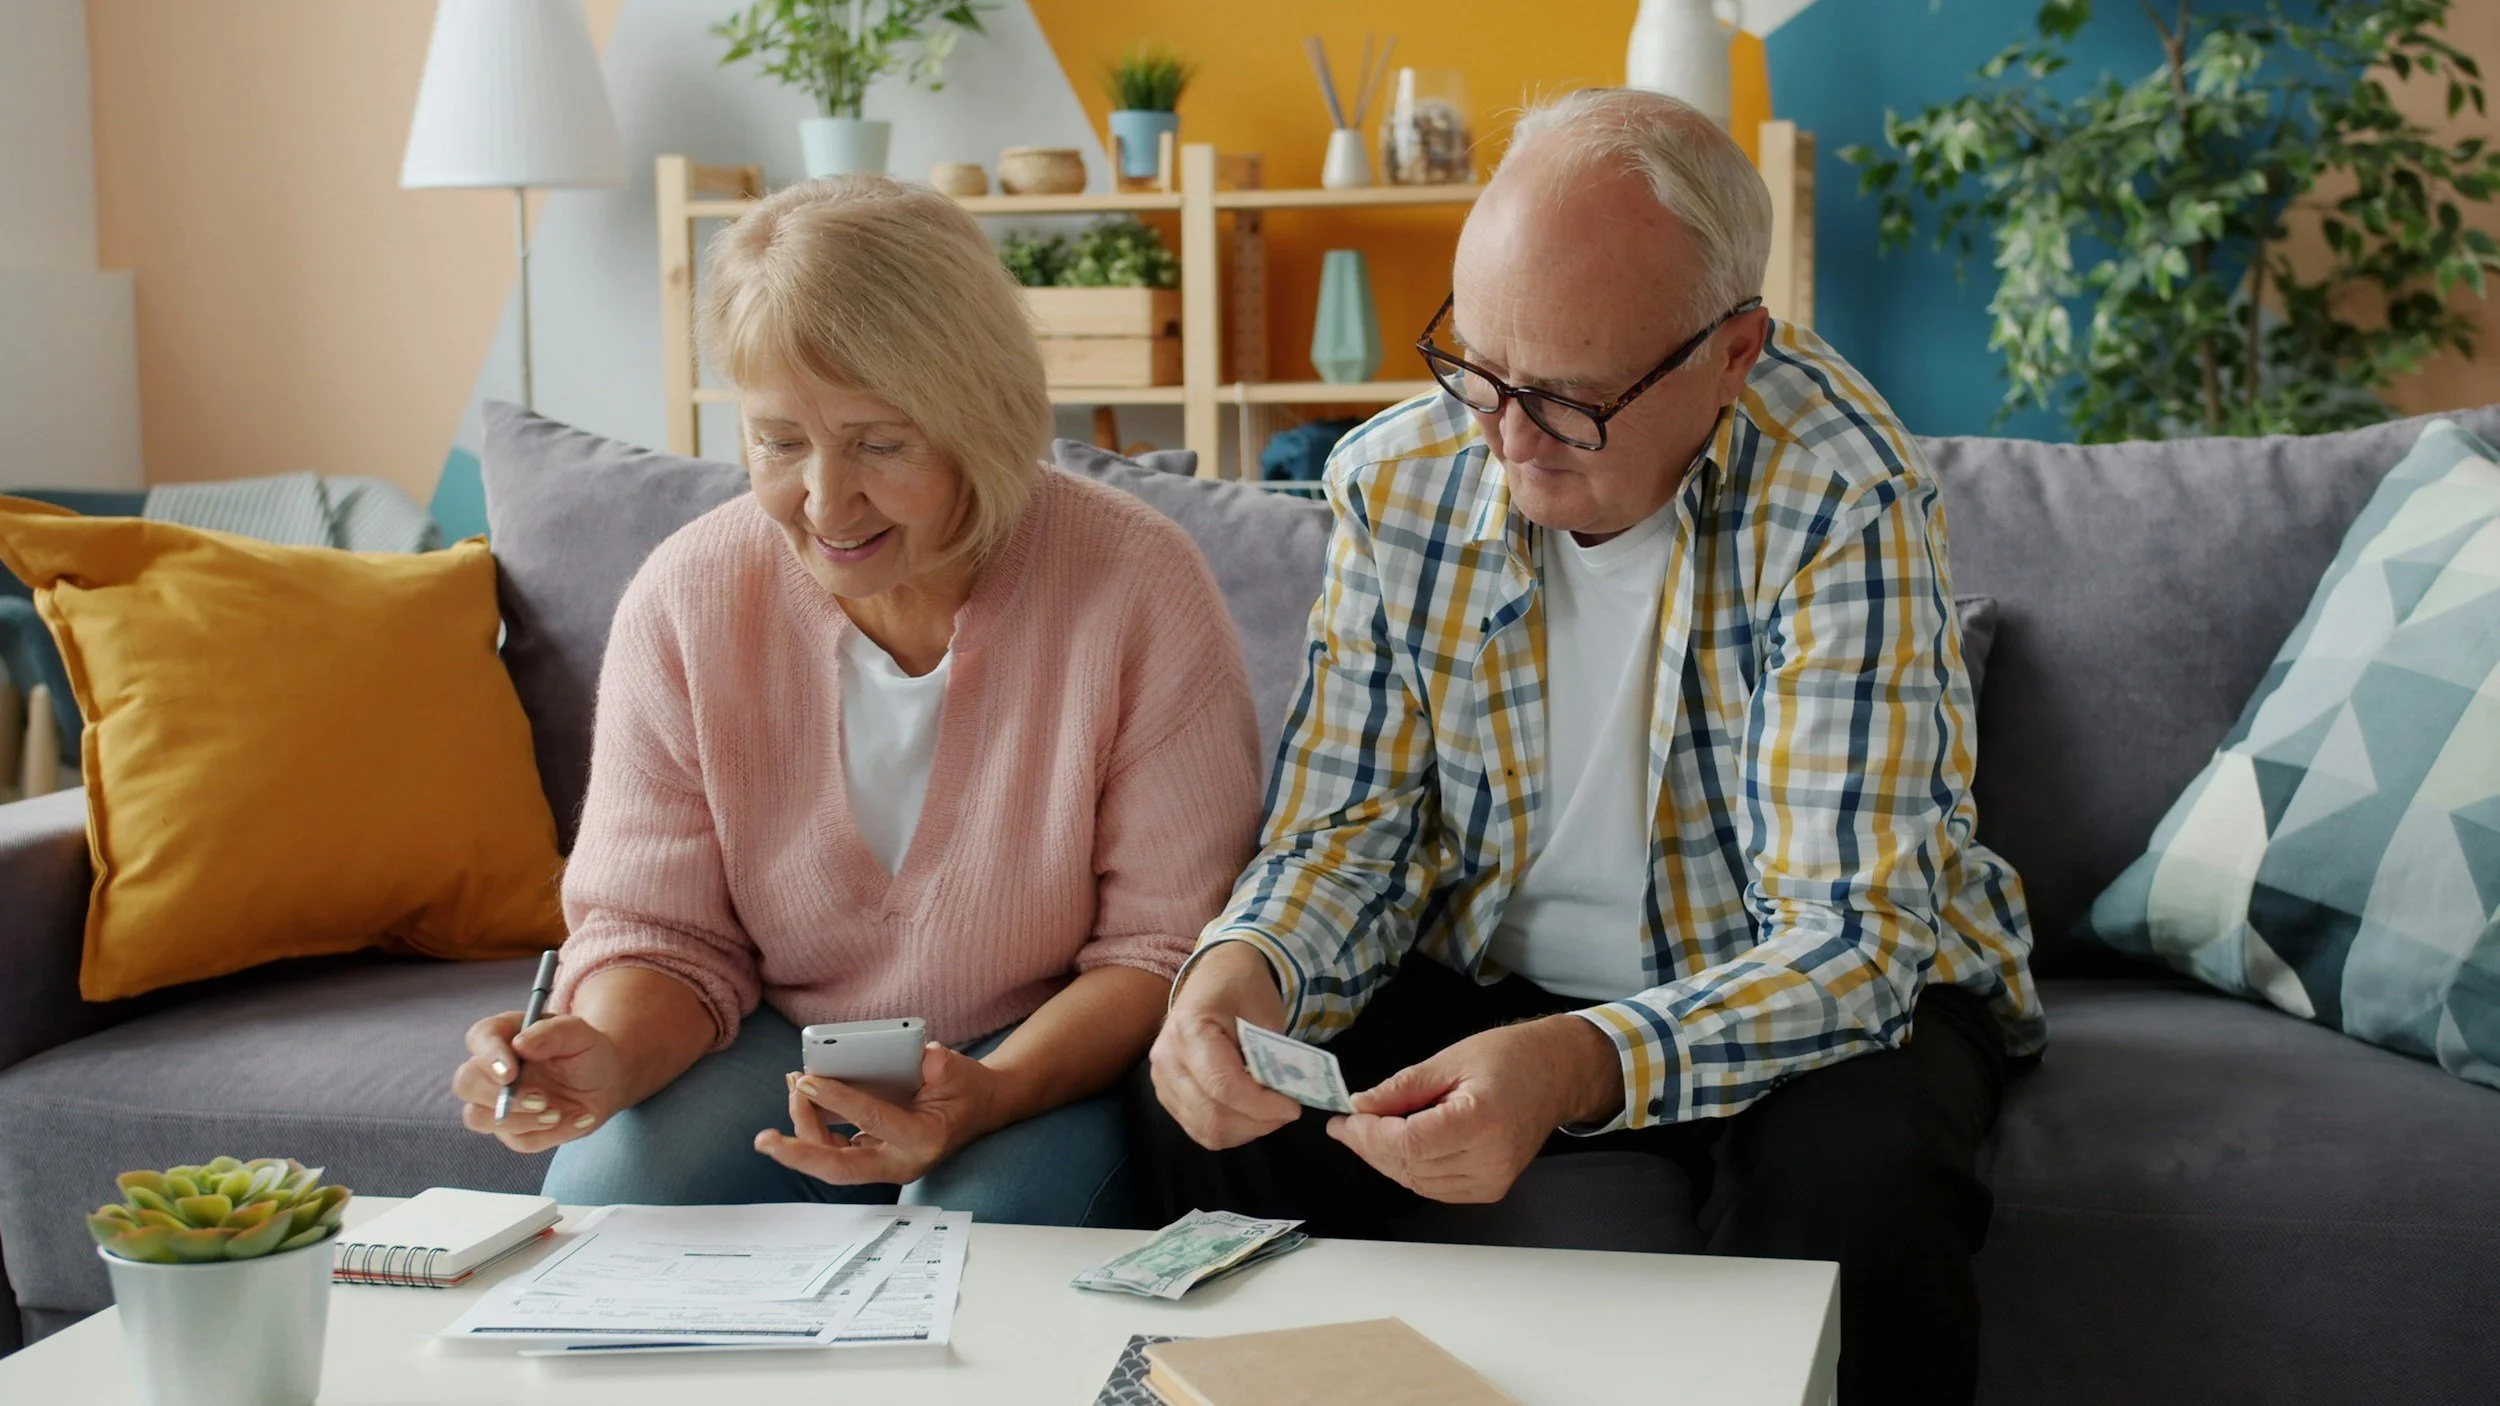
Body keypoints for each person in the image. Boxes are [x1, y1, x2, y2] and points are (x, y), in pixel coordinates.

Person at [1135, 89, 2046, 1404]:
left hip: (1820, 985)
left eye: (1566, 401)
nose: (1503, 440)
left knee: (1859, 1183)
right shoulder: (1403, 476)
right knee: (1206, 1101)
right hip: (1493, 957)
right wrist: (1242, 972)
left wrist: (1575, 1062)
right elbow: (1354, 831)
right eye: (1482, 370)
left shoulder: (1841, 487)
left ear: (1733, 353)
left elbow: (1852, 936)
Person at [449, 174, 1264, 1227]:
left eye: (880, 442)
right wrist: (595, 1053)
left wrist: (990, 1094)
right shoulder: (689, 593)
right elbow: (660, 936)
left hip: (1037, 1062)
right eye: (779, 440)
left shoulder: (1140, 583)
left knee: (969, 1242)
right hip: (773, 1053)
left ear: (983, 416)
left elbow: (1163, 951)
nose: (825, 502)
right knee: (606, 1216)